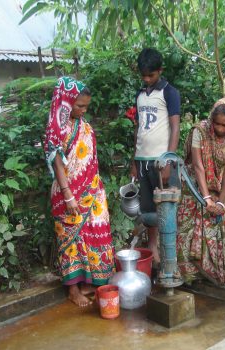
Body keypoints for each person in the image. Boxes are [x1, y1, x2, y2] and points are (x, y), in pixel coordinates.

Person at [45, 77, 114, 307]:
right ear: (66, 101)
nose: (83, 111)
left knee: (96, 231)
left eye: (86, 106)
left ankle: (88, 282)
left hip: (91, 190)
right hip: (67, 193)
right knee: (69, 240)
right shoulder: (57, 126)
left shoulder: (84, 126)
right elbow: (56, 163)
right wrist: (68, 194)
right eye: (79, 106)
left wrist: (96, 189)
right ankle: (73, 290)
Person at [177, 98, 225, 285]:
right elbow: (198, 166)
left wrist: (219, 202)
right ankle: (187, 277)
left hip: (215, 188)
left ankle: (209, 276)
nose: (220, 129)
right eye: (217, 124)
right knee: (186, 229)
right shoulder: (200, 131)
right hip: (191, 187)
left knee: (213, 229)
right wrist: (205, 198)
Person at [130, 48, 181, 266]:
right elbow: (138, 128)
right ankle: (152, 247)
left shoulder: (169, 92)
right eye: (143, 75)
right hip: (142, 160)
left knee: (164, 205)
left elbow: (175, 126)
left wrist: (169, 159)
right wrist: (134, 160)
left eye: (151, 75)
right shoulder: (140, 94)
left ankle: (167, 248)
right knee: (148, 205)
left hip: (161, 161)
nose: (147, 79)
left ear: (160, 71)